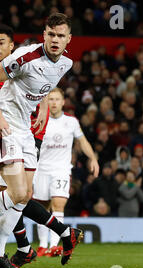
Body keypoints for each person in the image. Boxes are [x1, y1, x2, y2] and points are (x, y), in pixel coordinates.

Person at [0, 13, 83, 268]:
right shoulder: (26, 55)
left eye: (60, 36)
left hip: (24, 128)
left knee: (23, 197)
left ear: (68, 39)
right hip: (2, 125)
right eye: (51, 34)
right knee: (15, 193)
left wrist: (44, 108)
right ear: (43, 35)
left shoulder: (65, 64)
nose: (55, 40)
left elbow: (42, 88)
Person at [0, 25, 50, 268]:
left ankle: (18, 248)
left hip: (23, 135)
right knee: (14, 193)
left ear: (11, 46)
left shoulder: (24, 65)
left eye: (1, 43)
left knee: (14, 194)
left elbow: (40, 83)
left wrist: (45, 105)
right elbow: (5, 101)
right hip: (2, 133)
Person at [34, 88, 99, 257]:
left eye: (56, 99)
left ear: (63, 102)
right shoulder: (41, 119)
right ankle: (42, 246)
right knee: (42, 207)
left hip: (61, 170)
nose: (53, 102)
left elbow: (82, 141)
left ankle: (54, 246)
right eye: (50, 99)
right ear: (45, 102)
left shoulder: (71, 122)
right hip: (40, 169)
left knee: (58, 204)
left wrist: (93, 158)